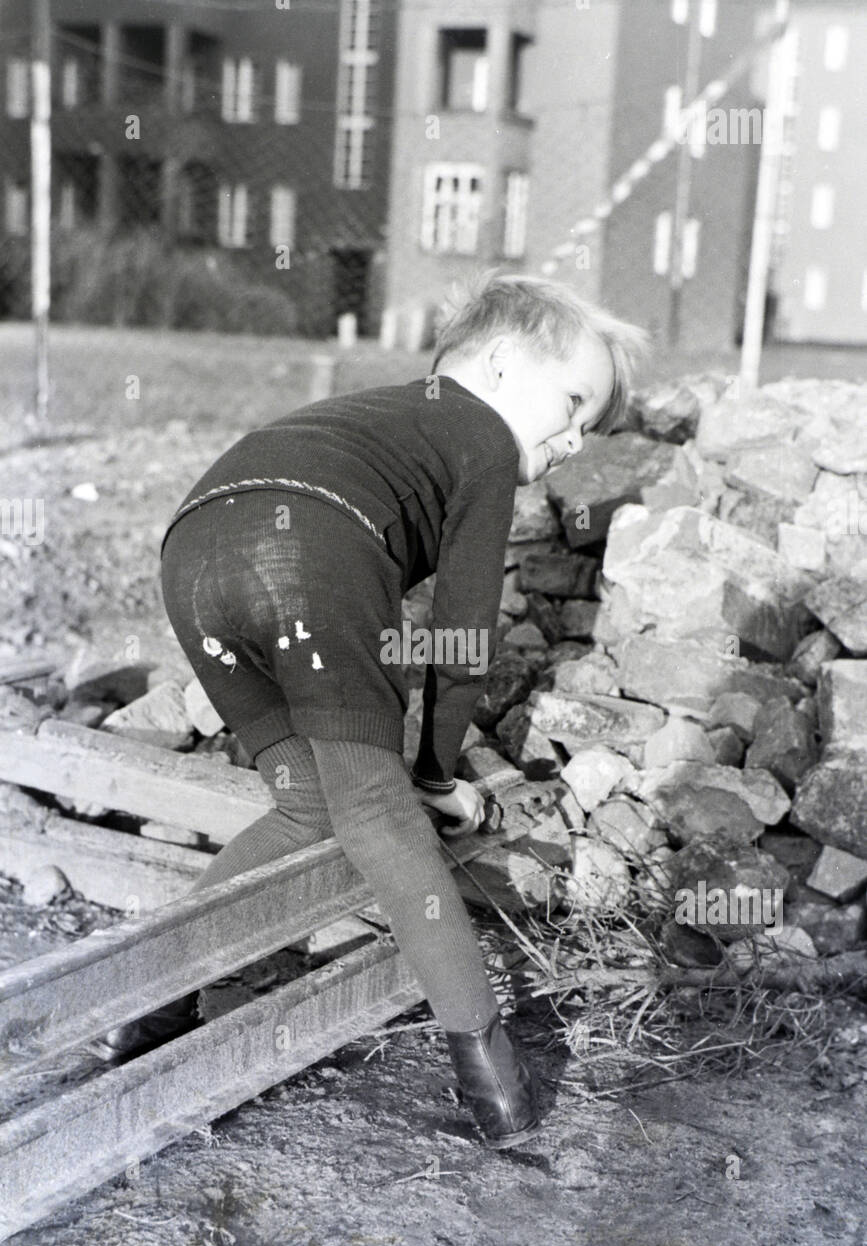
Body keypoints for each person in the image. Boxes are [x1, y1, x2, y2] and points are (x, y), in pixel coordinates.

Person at [98, 271, 648, 1149]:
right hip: (309, 550)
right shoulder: (475, 430)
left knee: (308, 803)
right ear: (501, 364)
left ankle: (147, 1014)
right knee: (375, 809)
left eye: (591, 425)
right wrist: (430, 775)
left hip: (193, 559)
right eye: (574, 403)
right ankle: (494, 1082)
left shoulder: (384, 416)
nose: (576, 438)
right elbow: (465, 629)